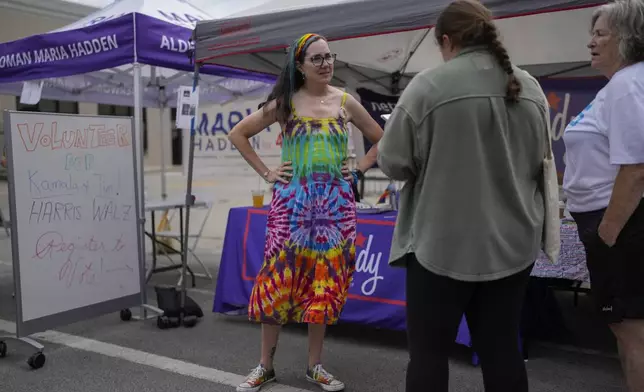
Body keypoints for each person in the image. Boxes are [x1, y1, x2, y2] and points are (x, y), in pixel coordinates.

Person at [377, 1, 550, 391]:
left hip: (442, 245)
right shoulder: (530, 87)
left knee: (428, 354)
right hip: (513, 243)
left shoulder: (429, 85)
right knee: (502, 349)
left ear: (446, 40)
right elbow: (541, 159)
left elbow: (393, 163)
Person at [228, 33, 383, 392]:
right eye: (317, 59)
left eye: (329, 56)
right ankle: (265, 366)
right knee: (276, 281)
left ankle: (315, 365)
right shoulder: (285, 104)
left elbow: (381, 137)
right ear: (300, 66)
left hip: (335, 209)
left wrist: (359, 168)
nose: (326, 63)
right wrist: (268, 173)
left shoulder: (345, 101)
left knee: (324, 283)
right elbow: (239, 134)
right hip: (291, 210)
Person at [562, 1, 644, 390]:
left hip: (622, 225)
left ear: (628, 38)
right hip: (616, 222)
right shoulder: (622, 85)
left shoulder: (627, 85)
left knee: (634, 337)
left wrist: (607, 233)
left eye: (601, 34)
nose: (591, 42)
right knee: (629, 334)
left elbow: (637, 167)